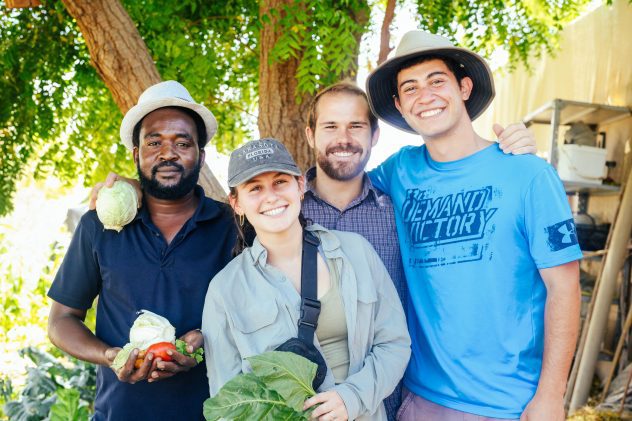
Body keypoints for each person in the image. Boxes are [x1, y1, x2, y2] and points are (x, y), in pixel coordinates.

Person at [365, 30, 582, 420]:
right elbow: (337, 189)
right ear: (400, 105)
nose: (425, 96)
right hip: (421, 399)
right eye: (410, 88)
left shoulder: (528, 174)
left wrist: (552, 394)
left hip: (509, 403)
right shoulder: (399, 171)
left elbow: (564, 287)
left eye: (437, 81)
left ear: (464, 87)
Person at [302, 81, 538, 420]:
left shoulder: (398, 202)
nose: (344, 138)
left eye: (356, 126)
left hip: (390, 394)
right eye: (330, 126)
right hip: (309, 394)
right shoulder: (286, 211)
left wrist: (510, 154)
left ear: (374, 136)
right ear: (311, 135)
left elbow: (455, 177)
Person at [47, 81, 235, 420]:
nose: (167, 153)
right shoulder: (98, 227)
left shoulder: (232, 228)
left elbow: (256, 318)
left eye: (182, 142)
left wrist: (205, 342)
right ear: (136, 154)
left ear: (201, 157)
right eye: (153, 142)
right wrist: (109, 355)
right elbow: (61, 321)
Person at [201, 138, 411, 421]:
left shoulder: (355, 252)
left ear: (300, 186)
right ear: (236, 203)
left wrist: (351, 398)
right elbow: (227, 399)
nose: (271, 197)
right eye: (255, 188)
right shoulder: (225, 290)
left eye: (279, 182)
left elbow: (394, 344)